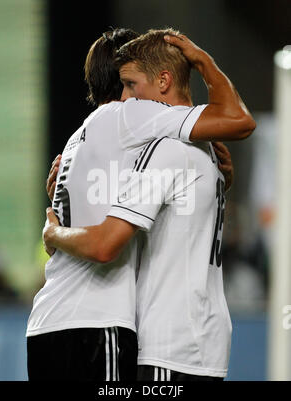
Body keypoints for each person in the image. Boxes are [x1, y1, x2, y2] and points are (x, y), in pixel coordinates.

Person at [41, 28, 255, 382]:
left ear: (163, 80)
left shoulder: (165, 150)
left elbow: (106, 242)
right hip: (208, 342)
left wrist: (55, 230)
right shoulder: (210, 158)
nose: (125, 99)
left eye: (130, 84)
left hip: (165, 345)